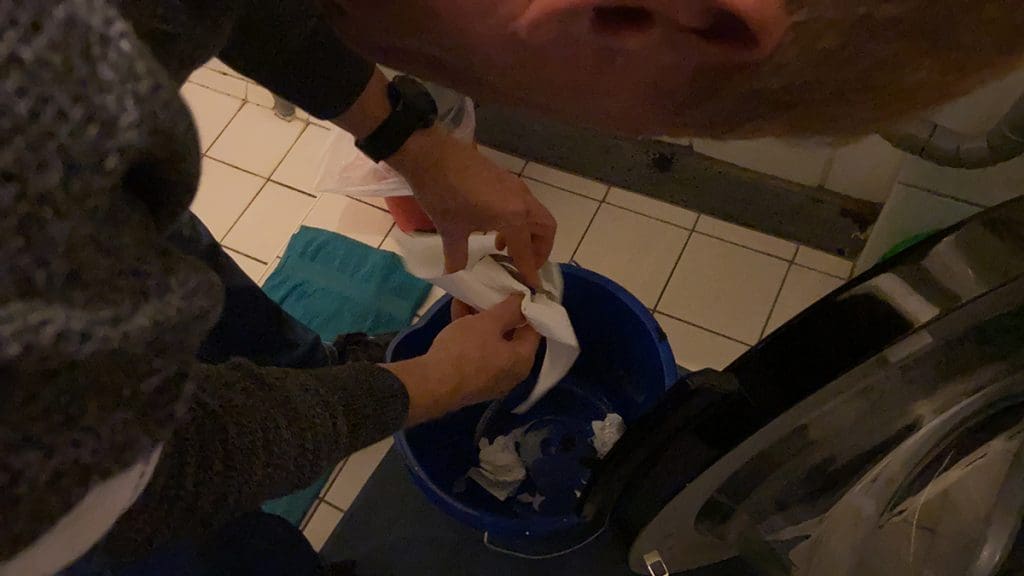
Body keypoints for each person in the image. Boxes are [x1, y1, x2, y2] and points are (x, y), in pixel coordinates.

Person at [2, 0, 1023, 574]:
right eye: (666, 124)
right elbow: (139, 474)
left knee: (202, 299)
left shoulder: (82, 111)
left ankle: (301, 373)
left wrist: (414, 141)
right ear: (662, 16)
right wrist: (425, 389)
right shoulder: (35, 167)